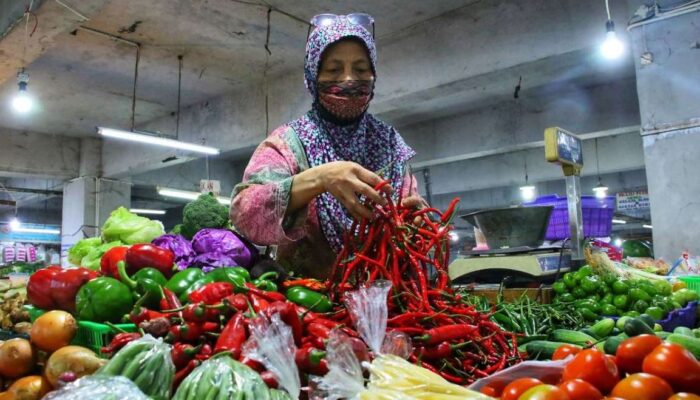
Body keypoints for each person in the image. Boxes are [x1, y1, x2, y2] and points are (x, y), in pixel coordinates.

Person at [231, 14, 423, 278]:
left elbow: (412, 219)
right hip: (309, 306)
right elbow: (246, 217)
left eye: (360, 69)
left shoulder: (389, 144)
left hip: (386, 304)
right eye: (333, 70)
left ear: (373, 73)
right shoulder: (287, 142)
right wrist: (320, 178)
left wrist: (418, 223)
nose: (348, 80)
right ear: (313, 75)